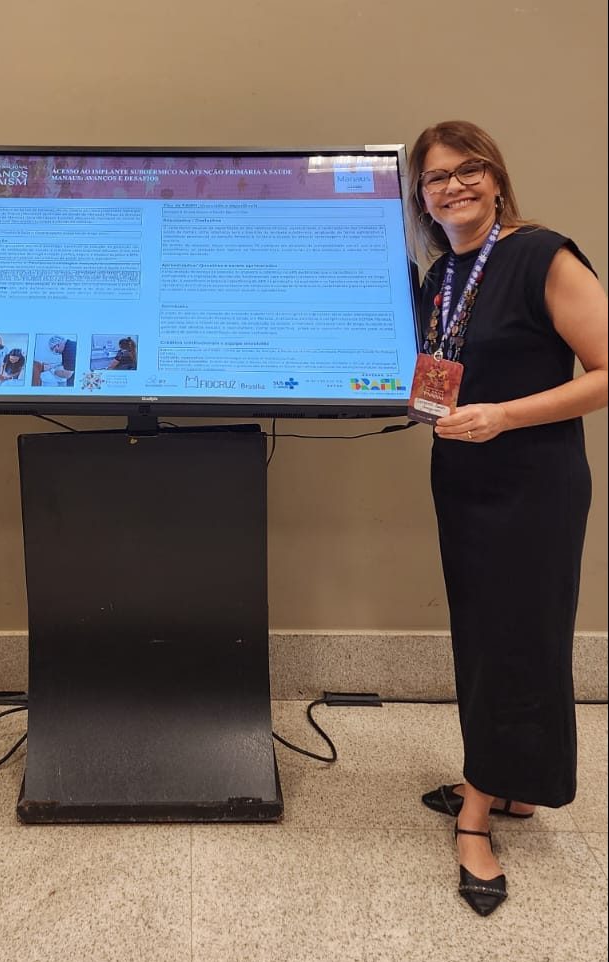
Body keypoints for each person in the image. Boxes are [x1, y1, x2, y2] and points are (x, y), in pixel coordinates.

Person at [407, 120, 607, 916]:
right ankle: (514, 780)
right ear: (419, 198)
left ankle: (477, 815)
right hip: (460, 477)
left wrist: (504, 417)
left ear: (494, 177)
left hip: (531, 481)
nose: (451, 186)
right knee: (485, 635)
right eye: (434, 178)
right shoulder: (438, 276)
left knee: (517, 637)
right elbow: (440, 366)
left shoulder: (540, 254)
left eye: (466, 171)